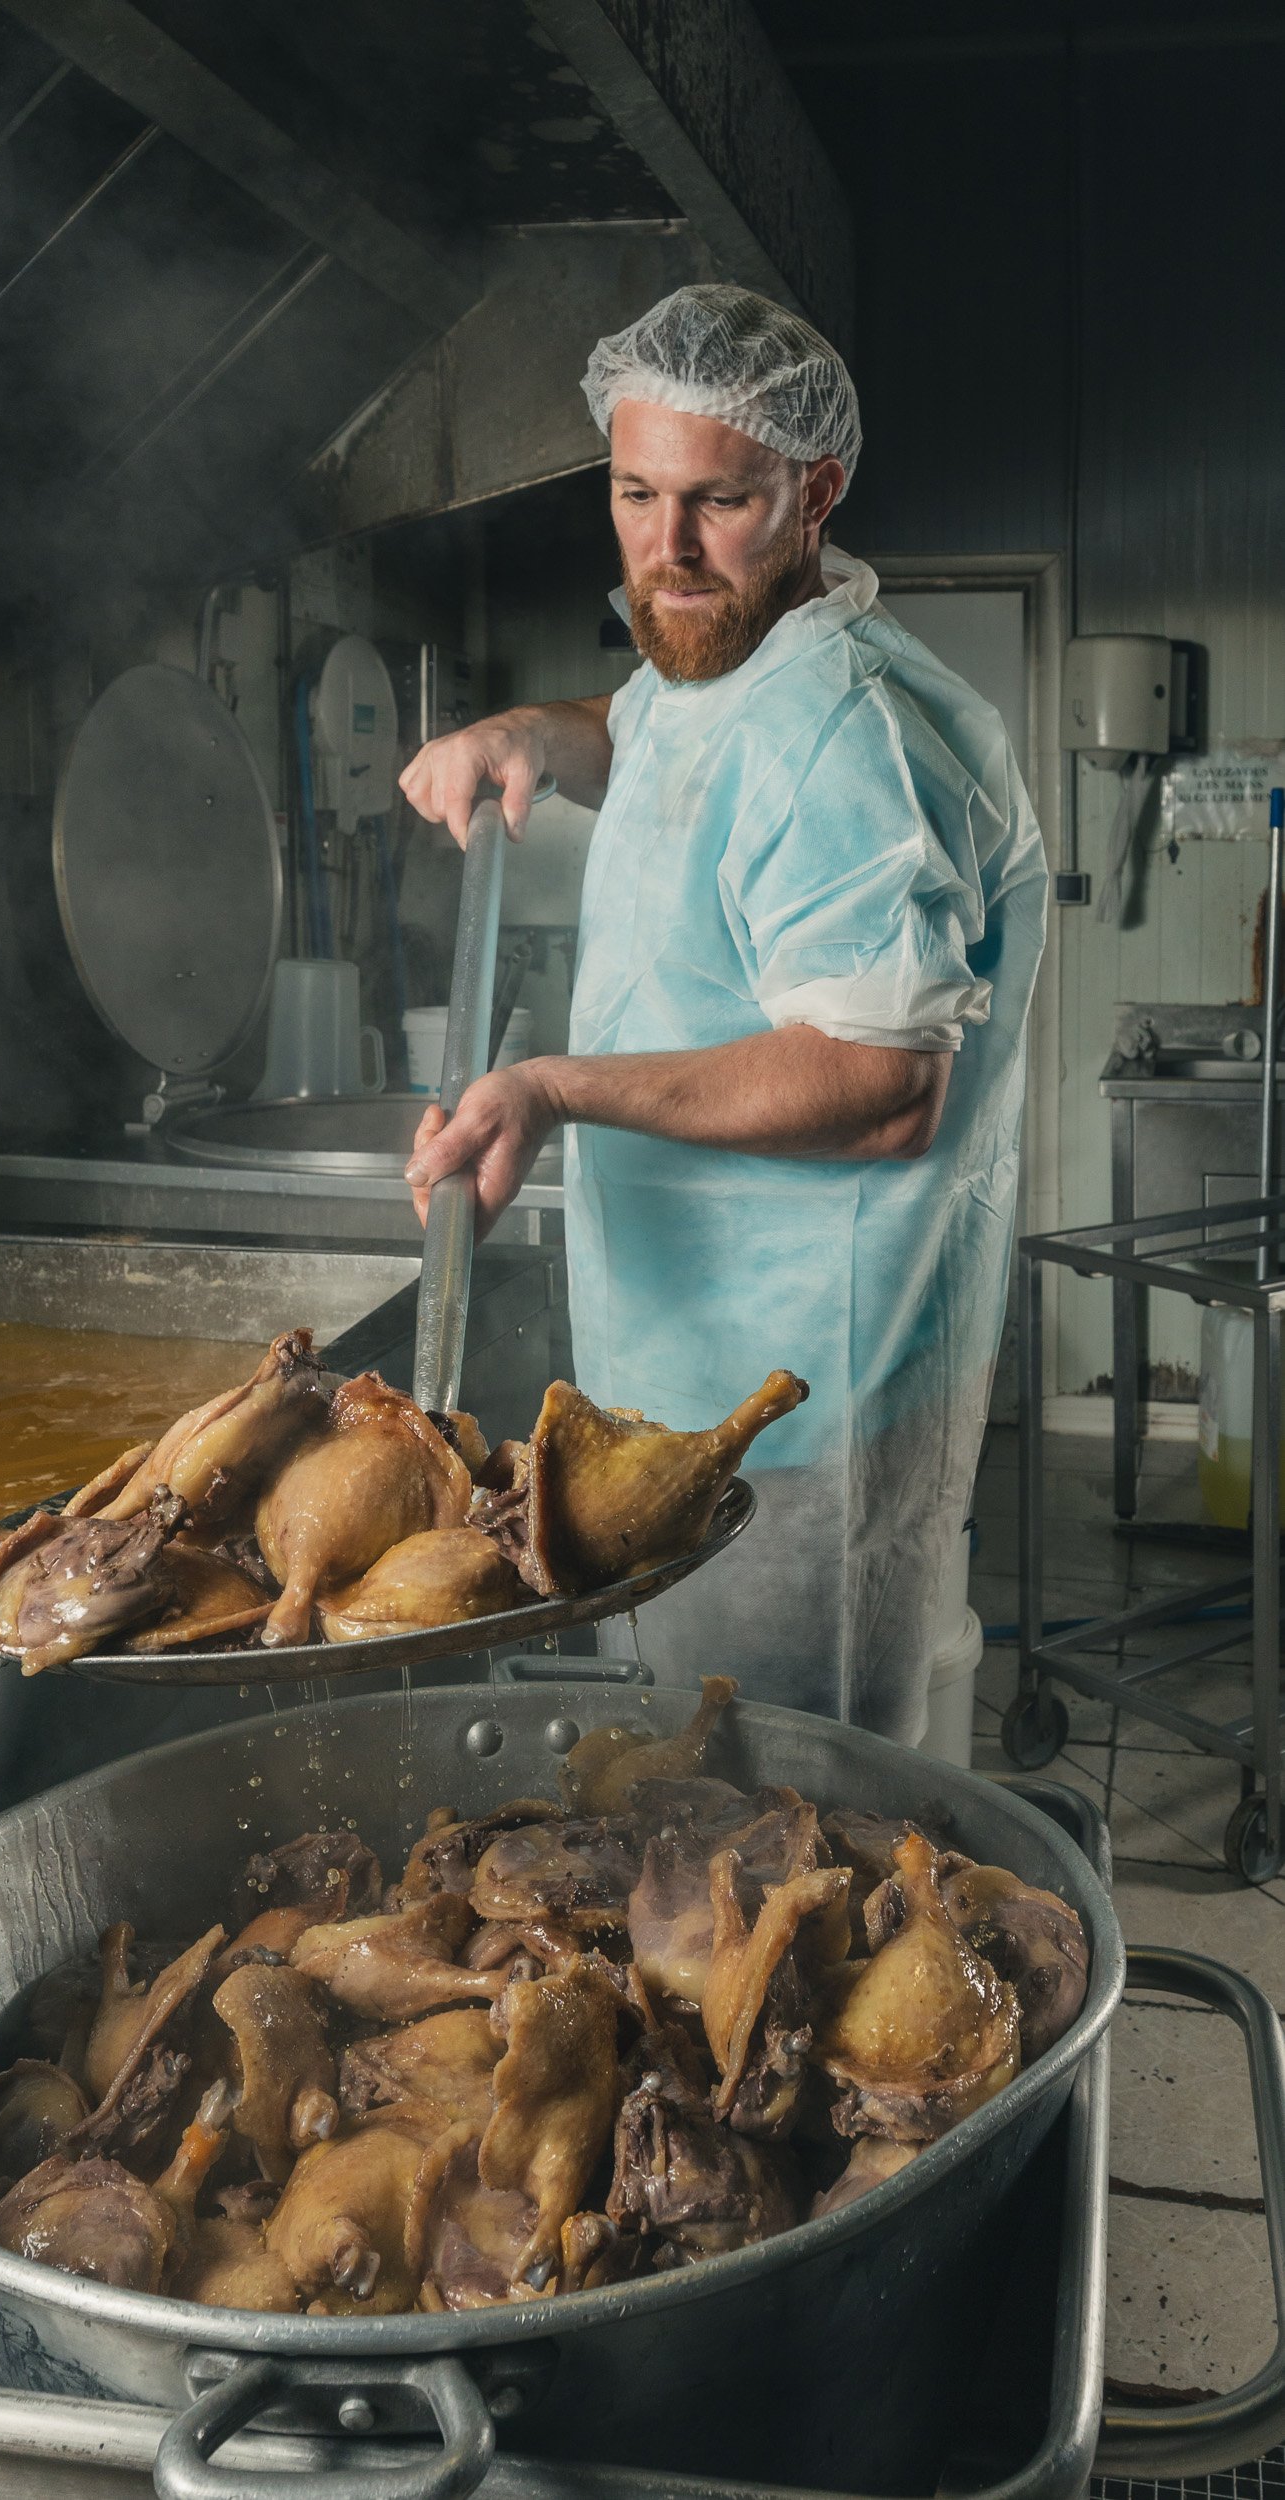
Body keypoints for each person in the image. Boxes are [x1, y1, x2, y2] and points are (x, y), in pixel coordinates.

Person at [398, 282, 1047, 1743]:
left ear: (815, 493)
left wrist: (553, 1088)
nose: (667, 549)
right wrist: (528, 738)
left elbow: (884, 1086)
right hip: (698, 1370)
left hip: (805, 1395)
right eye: (635, 494)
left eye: (718, 502)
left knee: (781, 1806)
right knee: (700, 1781)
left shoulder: (847, 739)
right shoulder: (728, 666)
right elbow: (655, 743)